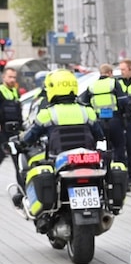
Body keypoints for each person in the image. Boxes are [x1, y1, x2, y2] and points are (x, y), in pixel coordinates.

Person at [17, 70, 106, 218]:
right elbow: (100, 135)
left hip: (59, 161)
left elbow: (29, 137)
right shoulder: (87, 111)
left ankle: (45, 214)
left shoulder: (47, 114)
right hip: (87, 161)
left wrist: (21, 142)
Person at [81, 64, 127, 170]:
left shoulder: (92, 86)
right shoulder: (114, 83)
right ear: (110, 73)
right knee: (118, 147)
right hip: (114, 120)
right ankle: (119, 171)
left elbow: (85, 104)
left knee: (100, 147)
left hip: (98, 121)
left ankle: (103, 168)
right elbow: (123, 101)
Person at [0, 67, 23, 169]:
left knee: (18, 159)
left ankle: (21, 178)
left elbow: (18, 111)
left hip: (14, 130)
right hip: (2, 131)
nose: (12, 79)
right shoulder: (0, 90)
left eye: (14, 77)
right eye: (10, 77)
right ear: (4, 77)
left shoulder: (15, 92)